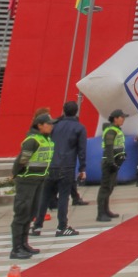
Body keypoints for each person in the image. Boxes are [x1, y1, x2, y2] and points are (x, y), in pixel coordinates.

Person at [32, 101, 85, 237]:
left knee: (46, 196)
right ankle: (62, 226)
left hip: (51, 164)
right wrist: (82, 168)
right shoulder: (79, 128)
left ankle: (37, 225)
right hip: (67, 165)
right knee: (63, 197)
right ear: (76, 111)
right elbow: (81, 150)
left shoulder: (53, 126)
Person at [11, 114, 54, 260]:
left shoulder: (45, 140)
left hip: (39, 180)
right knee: (22, 213)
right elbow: (22, 160)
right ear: (40, 125)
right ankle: (16, 248)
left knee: (30, 213)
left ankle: (24, 244)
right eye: (48, 124)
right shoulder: (32, 141)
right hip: (27, 181)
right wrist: (15, 174)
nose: (51, 126)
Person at [97, 110, 126, 222]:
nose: (123, 119)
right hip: (109, 163)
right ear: (115, 118)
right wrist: (111, 162)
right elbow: (109, 148)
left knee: (110, 186)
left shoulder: (117, 130)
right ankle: (100, 213)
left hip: (114, 163)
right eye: (121, 117)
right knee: (105, 187)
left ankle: (106, 210)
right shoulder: (111, 131)